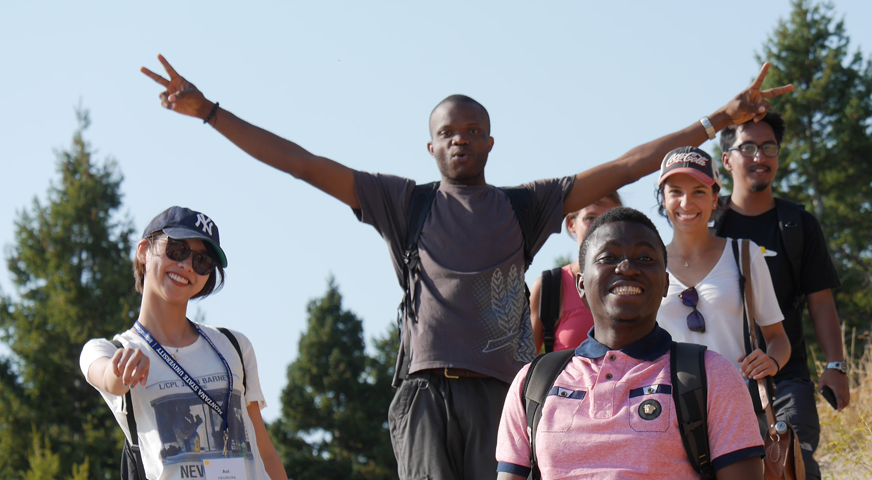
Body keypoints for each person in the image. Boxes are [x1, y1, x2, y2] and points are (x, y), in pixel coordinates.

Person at [140, 54, 792, 479]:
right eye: (448, 132)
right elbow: (304, 163)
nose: (460, 139)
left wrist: (717, 120)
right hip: (423, 391)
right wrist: (211, 113)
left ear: (489, 140)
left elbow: (625, 166)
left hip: (501, 392)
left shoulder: (524, 205)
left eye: (472, 130)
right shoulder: (406, 203)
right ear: (430, 145)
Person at [495, 207, 764, 479]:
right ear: (580, 286)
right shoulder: (532, 383)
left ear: (665, 284)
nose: (626, 268)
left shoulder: (712, 375)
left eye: (645, 258)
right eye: (608, 257)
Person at [79, 206, 288, 480]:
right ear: (143, 251)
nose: (187, 265)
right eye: (177, 250)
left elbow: (265, 451)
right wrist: (120, 370)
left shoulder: (234, 345)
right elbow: (108, 377)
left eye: (202, 262)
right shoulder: (110, 351)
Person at [710, 112, 847, 480]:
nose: (760, 156)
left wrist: (836, 365)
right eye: (749, 147)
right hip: (718, 381)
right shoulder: (708, 227)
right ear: (727, 160)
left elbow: (820, 302)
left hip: (788, 377)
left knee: (793, 460)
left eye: (769, 147)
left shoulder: (797, 225)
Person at [653, 147, 790, 398]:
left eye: (699, 192)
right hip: (668, 412)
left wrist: (771, 360)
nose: (686, 203)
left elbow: (778, 338)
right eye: (675, 192)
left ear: (715, 199)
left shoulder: (744, 254)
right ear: (663, 198)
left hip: (736, 407)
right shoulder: (649, 264)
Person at [529, 192, 621, 353]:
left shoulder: (635, 282)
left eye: (609, 218)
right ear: (571, 224)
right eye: (590, 218)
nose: (600, 226)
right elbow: (524, 365)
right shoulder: (549, 288)